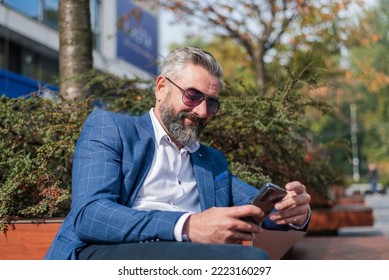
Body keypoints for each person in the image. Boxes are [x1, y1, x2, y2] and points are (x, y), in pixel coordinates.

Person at [45, 46, 311, 260]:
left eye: (212, 103)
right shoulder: (112, 129)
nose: (202, 112)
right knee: (248, 261)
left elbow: (256, 207)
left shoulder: (212, 162)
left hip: (187, 256)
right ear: (162, 88)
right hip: (106, 252)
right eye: (193, 96)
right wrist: (188, 226)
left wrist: (292, 211)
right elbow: (89, 215)